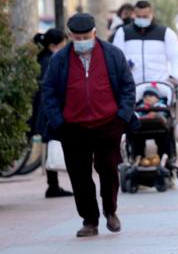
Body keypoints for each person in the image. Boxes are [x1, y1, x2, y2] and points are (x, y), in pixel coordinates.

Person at [42, 13, 138, 237]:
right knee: (79, 175)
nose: (82, 40)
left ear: (94, 33)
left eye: (86, 36)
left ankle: (111, 211)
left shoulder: (112, 54)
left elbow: (127, 87)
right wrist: (58, 121)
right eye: (77, 37)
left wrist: (121, 116)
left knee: (108, 170)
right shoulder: (59, 60)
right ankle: (89, 220)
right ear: (70, 36)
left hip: (108, 125)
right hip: (73, 128)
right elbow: (49, 91)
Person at [31, 29, 73, 198]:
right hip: (49, 111)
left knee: (51, 147)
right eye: (62, 45)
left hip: (44, 111)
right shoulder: (50, 62)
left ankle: (53, 185)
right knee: (54, 146)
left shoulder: (42, 60)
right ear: (53, 46)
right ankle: (53, 185)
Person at [112, 0, 178, 86]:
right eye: (139, 16)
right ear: (134, 14)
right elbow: (116, 59)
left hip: (158, 88)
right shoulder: (123, 32)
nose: (142, 19)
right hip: (132, 87)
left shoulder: (165, 33)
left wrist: (175, 77)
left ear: (152, 14)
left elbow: (176, 57)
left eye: (145, 16)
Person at [132, 85, 170, 167]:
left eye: (150, 95)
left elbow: (165, 115)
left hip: (160, 128)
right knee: (136, 139)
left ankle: (164, 156)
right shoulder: (140, 107)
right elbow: (137, 115)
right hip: (142, 129)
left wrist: (156, 115)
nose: (147, 97)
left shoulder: (161, 106)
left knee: (163, 140)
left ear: (157, 98)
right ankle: (138, 157)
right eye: (145, 96)